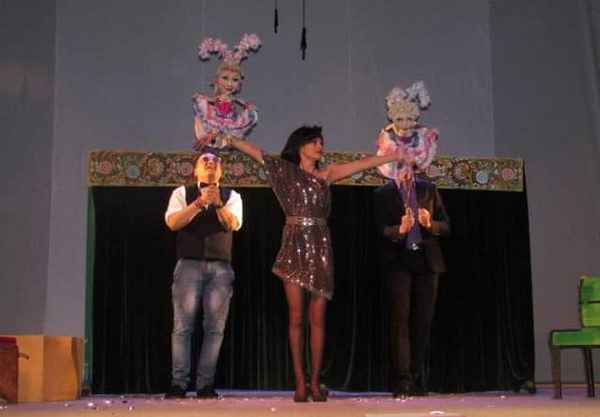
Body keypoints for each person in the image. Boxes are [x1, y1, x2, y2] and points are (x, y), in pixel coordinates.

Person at [203, 126, 404, 402]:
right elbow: (254, 152)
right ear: (301, 146)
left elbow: (364, 163)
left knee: (317, 317)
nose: (320, 146)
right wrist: (223, 138)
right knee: (296, 317)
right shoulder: (285, 171)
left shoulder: (327, 174)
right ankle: (299, 381)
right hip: (293, 244)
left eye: (322, 141)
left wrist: (395, 156)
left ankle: (315, 381)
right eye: (314, 141)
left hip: (320, 247)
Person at [372, 81, 450, 398]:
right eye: (400, 164)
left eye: (410, 164)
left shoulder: (429, 190)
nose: (406, 169)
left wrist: (431, 224)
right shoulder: (383, 194)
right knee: (400, 321)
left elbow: (447, 226)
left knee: (423, 321)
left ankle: (418, 378)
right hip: (399, 263)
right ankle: (402, 380)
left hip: (428, 263)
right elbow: (380, 230)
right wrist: (399, 230)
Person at [164, 150, 243, 399]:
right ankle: (178, 383)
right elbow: (173, 222)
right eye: (205, 160)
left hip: (220, 269)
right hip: (188, 265)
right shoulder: (182, 193)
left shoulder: (232, 197)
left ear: (221, 172)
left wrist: (218, 203)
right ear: (196, 170)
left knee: (215, 329)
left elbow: (233, 224)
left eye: (216, 161)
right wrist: (199, 203)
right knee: (182, 327)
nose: (211, 163)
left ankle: (205, 384)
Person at [193, 34, 260, 150]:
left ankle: (223, 143)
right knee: (214, 134)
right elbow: (210, 100)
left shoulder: (233, 99)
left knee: (229, 139)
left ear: (239, 85)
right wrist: (204, 98)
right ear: (217, 80)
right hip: (216, 119)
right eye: (225, 78)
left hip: (230, 121)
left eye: (235, 80)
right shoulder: (216, 99)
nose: (229, 84)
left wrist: (248, 107)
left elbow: (240, 103)